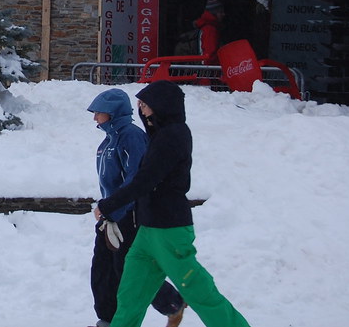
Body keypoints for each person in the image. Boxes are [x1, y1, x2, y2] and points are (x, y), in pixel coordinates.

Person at [93, 81, 251, 327]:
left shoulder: (173, 135)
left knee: (199, 292)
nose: (141, 111)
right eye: (140, 105)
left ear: (161, 106)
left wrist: (109, 205)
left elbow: (145, 180)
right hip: (147, 230)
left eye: (145, 105)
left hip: (170, 230)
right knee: (131, 295)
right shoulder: (157, 136)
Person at [87, 88, 186, 327]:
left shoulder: (131, 136)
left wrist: (116, 208)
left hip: (129, 215)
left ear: (112, 112)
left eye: (98, 112)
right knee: (102, 271)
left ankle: (172, 302)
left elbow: (137, 177)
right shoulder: (106, 142)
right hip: (110, 216)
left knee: (130, 271)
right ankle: (108, 320)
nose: (94, 118)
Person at [194, 0, 225, 64]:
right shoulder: (210, 29)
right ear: (214, 13)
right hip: (208, 71)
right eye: (220, 12)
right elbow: (210, 55)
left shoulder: (206, 26)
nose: (223, 14)